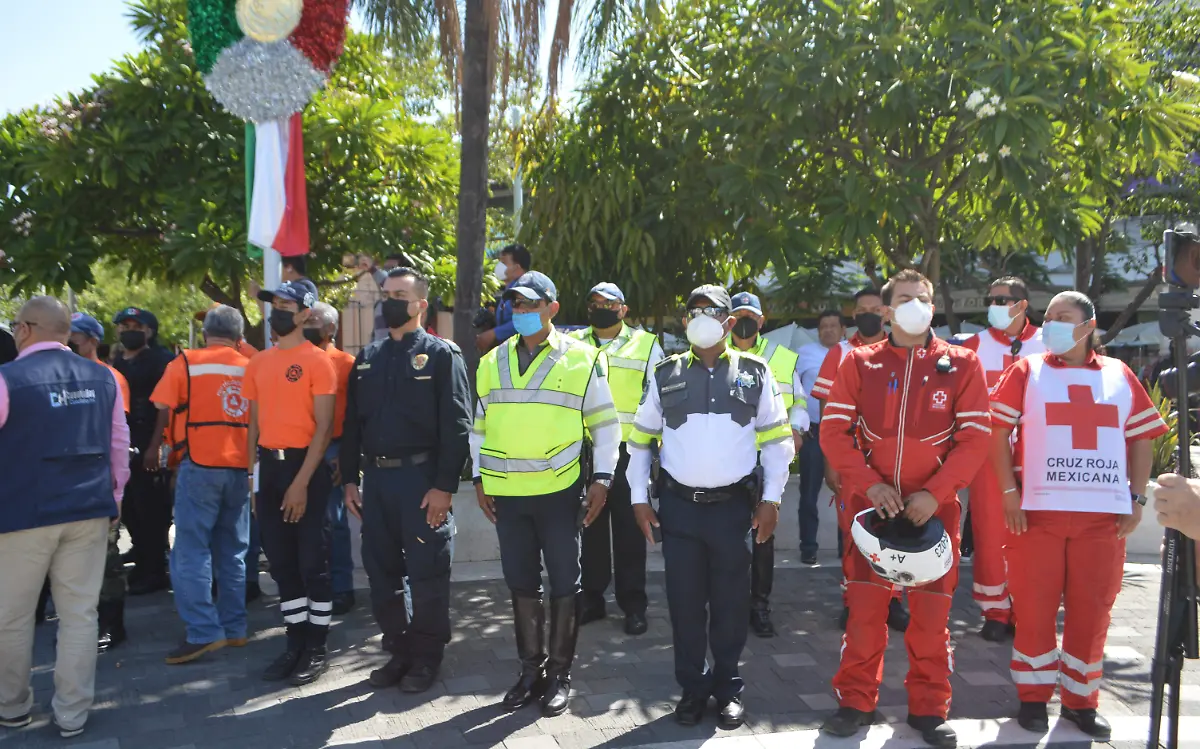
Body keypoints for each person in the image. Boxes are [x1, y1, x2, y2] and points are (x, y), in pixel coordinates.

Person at [818, 269, 991, 748]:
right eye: (904, 298)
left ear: (932, 306)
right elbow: (833, 434)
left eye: (922, 297)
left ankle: (929, 709)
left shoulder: (962, 364)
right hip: (870, 511)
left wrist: (936, 493)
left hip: (934, 514)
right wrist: (870, 487)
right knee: (866, 614)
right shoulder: (859, 362)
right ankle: (855, 701)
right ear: (887, 310)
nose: (914, 304)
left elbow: (975, 439)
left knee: (933, 618)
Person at [989, 291, 1164, 739]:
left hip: (1102, 519)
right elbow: (996, 430)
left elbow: (1142, 437)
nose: (1051, 325)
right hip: (1036, 516)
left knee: (1092, 614)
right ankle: (1032, 699)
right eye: (1047, 318)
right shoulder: (1026, 370)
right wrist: (1008, 492)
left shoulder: (1119, 374)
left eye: (1063, 317)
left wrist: (1139, 498)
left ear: (1088, 327)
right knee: (1033, 610)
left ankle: (1080, 703)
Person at [627, 284, 794, 728]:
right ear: (685, 322)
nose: (702, 317)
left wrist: (772, 499)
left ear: (727, 319)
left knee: (730, 603)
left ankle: (728, 687)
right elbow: (640, 442)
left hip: (732, 509)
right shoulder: (665, 373)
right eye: (694, 310)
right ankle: (692, 689)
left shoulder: (756, 373)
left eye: (711, 310)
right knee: (684, 604)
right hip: (679, 509)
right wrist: (640, 499)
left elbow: (778, 444)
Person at [470, 271, 620, 717]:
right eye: (516, 305)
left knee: (564, 583)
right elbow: (478, 427)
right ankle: (530, 671)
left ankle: (559, 675)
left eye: (531, 305)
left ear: (552, 309)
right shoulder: (490, 361)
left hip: (558, 493)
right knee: (521, 583)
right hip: (508, 496)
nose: (522, 313)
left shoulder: (582, 358)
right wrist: (479, 479)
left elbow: (606, 428)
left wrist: (603, 479)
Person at [0, 297, 130, 739]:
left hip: (22, 514)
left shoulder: (7, 380)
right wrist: (114, 498)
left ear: (24, 330)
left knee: (12, 617)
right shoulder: (103, 378)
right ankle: (72, 713)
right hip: (89, 510)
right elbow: (118, 444)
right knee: (80, 614)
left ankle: (13, 707)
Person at [342, 267, 472, 694]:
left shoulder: (440, 354)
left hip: (421, 481)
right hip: (377, 482)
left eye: (400, 294)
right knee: (381, 573)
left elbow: (456, 426)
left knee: (428, 571)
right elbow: (351, 426)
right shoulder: (368, 358)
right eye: (386, 293)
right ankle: (399, 650)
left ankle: (426, 656)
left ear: (421, 304)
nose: (389, 300)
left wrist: (444, 487)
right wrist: (349, 480)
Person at [245, 280, 338, 686]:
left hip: (306, 470)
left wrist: (300, 483)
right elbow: (253, 423)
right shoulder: (259, 362)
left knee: (312, 564)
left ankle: (317, 647)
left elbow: (322, 430)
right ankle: (294, 642)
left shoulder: (318, 361)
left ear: (305, 314)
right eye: (274, 303)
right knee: (282, 565)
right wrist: (252, 477)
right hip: (270, 468)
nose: (277, 310)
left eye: (286, 304)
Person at [148, 305, 253, 665]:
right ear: (239, 337)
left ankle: (203, 633)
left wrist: (155, 450)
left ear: (207, 332)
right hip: (239, 467)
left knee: (191, 551)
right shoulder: (249, 366)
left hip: (200, 464)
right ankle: (235, 629)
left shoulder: (186, 363)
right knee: (233, 552)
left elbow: (163, 406)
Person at [810, 288, 908, 631]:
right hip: (852, 461)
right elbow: (825, 408)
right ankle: (854, 601)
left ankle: (893, 601)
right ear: (854, 314)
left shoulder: (904, 349)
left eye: (873, 309)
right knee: (854, 535)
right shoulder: (839, 352)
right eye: (861, 309)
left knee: (895, 532)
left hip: (894, 460)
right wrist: (830, 461)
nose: (868, 314)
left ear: (885, 312)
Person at [570, 282, 664, 636]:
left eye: (609, 303)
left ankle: (633, 605)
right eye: (594, 302)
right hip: (585, 449)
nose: (601, 308)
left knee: (629, 530)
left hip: (628, 452)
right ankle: (592, 598)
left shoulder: (647, 344)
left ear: (624, 309)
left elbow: (657, 396)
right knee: (589, 527)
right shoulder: (573, 344)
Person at [959, 276, 1045, 641]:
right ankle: (996, 611)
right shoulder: (974, 347)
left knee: (1036, 537)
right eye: (991, 298)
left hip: (1040, 457)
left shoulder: (1047, 343)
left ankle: (1029, 609)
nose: (994, 304)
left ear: (1022, 304)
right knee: (991, 534)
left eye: (1002, 299)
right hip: (988, 459)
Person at [726, 291, 808, 637]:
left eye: (751, 315)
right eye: (738, 314)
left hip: (765, 461)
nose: (745, 321)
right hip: (725, 459)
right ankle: (728, 604)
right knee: (726, 537)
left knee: (762, 536)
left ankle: (759, 605)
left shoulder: (782, 357)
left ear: (762, 321)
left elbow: (799, 400)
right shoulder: (714, 355)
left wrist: (799, 428)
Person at [68, 313, 132, 651]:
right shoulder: (62, 376)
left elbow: (119, 437)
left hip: (100, 482)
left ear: (92, 339)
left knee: (105, 558)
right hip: (68, 483)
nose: (68, 342)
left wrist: (116, 488)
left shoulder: (110, 378)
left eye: (74, 336)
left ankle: (111, 625)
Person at [110, 307, 175, 595]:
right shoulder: (117, 362)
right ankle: (143, 558)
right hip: (124, 443)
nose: (129, 330)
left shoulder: (162, 361)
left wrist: (156, 446)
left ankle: (155, 570)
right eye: (124, 326)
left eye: (136, 325)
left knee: (152, 510)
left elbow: (165, 407)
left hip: (150, 442)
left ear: (150, 331)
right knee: (132, 509)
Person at [304, 302, 358, 616]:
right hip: (300, 448)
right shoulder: (295, 360)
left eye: (314, 321)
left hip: (334, 449)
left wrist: (347, 458)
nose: (308, 325)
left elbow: (355, 415)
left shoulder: (346, 363)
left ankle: (341, 588)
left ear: (330, 329)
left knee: (334, 523)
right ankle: (313, 587)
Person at [796, 310, 843, 562]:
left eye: (833, 325)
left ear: (843, 330)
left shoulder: (851, 352)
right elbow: (797, 392)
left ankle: (845, 547)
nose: (828, 330)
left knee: (846, 493)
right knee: (809, 494)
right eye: (823, 326)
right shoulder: (805, 354)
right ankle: (808, 548)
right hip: (814, 433)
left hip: (845, 435)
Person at [476, 243, 531, 353]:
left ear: (517, 267)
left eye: (504, 263)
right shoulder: (509, 290)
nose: (499, 266)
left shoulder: (524, 289)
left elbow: (527, 320)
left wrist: (494, 333)